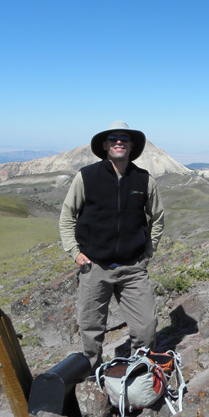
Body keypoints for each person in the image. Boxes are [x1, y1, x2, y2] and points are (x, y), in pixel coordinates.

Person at [59, 121, 165, 368]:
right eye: (114, 138)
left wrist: (149, 249)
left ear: (131, 146)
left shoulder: (143, 179)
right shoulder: (86, 177)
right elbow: (67, 215)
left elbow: (158, 216)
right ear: (105, 145)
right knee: (90, 328)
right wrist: (74, 252)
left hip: (133, 268)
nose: (119, 142)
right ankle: (93, 375)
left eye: (124, 139)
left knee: (147, 327)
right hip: (94, 267)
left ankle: (140, 372)